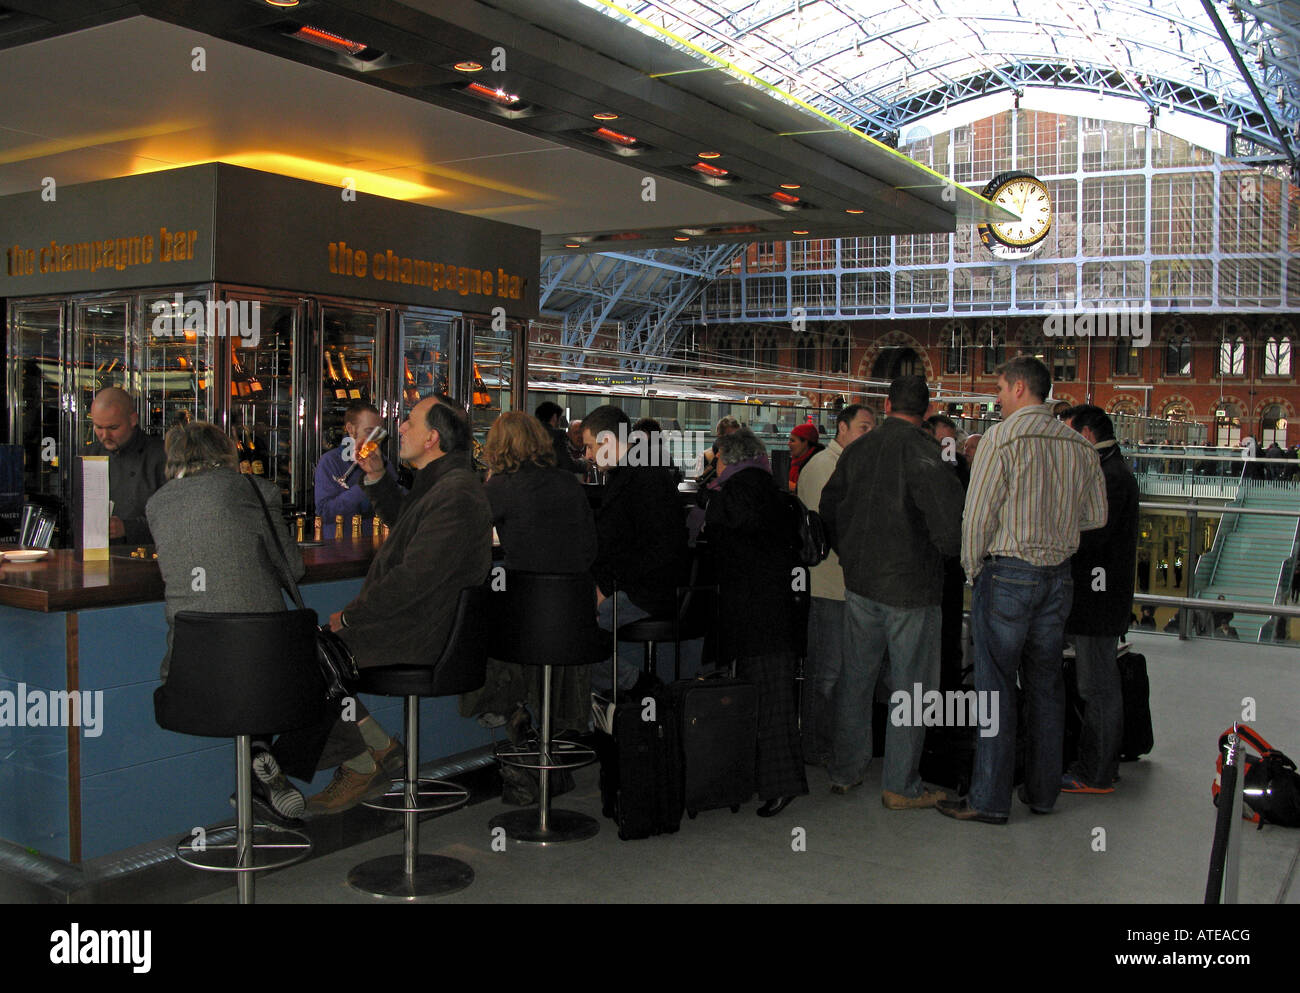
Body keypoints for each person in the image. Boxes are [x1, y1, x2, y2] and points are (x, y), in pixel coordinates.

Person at [147, 422, 399, 824]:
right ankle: (327, 752)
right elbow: (292, 568)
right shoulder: (256, 491)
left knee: (288, 673)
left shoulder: (156, 504)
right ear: (228, 452)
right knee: (308, 667)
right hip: (269, 670)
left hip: (190, 675)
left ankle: (268, 761)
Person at [940, 358, 1106, 825]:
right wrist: (1057, 524)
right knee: (1046, 687)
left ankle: (989, 800)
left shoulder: (1001, 438)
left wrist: (974, 570)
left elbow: (978, 516)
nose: (996, 397)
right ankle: (1043, 794)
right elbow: (1096, 517)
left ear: (1018, 387)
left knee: (996, 689)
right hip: (1059, 578)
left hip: (1008, 574)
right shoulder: (1079, 445)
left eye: (998, 388)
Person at [321, 395, 492, 813]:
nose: (398, 428)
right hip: (424, 625)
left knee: (304, 653)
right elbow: (410, 527)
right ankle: (375, 750)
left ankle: (363, 762)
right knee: (309, 650)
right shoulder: (443, 482)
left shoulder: (454, 492)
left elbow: (413, 578)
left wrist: (351, 616)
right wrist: (377, 477)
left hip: (422, 635)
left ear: (432, 438)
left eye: (409, 423)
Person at [820, 376, 965, 810]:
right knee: (912, 691)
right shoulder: (927, 453)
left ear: (885, 404)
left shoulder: (858, 450)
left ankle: (846, 770)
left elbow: (829, 507)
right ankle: (900, 784)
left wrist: (850, 555)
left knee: (856, 680)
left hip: (861, 586)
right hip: (911, 591)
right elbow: (950, 527)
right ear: (926, 408)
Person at [460, 411, 598, 732]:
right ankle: (532, 713)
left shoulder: (502, 487)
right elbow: (590, 548)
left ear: (497, 447)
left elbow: (462, 530)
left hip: (527, 617)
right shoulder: (567, 480)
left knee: (478, 611)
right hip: (576, 615)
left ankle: (504, 703)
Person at [705, 427, 808, 816]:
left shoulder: (732, 492)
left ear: (727, 458)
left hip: (751, 611)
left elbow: (719, 539)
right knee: (774, 697)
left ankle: (779, 782)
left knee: (761, 698)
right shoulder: (773, 490)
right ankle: (772, 781)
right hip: (778, 610)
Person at [581, 404, 691, 693]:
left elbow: (654, 550)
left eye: (590, 446)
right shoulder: (638, 473)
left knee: (573, 630)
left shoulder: (642, 479)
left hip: (645, 592)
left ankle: (639, 686)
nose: (588, 456)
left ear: (607, 440)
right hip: (639, 586)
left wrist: (605, 587)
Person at [1060, 405, 1139, 795]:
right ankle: (1101, 764)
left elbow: (1094, 536)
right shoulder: (1112, 470)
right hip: (1101, 597)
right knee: (1099, 684)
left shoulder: (1110, 477)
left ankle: (1096, 771)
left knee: (1097, 686)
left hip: (1098, 600)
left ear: (1087, 434)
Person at [794, 404, 874, 766]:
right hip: (827, 586)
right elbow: (825, 532)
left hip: (845, 585)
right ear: (841, 428)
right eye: (863, 427)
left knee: (839, 671)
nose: (868, 434)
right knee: (826, 671)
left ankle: (829, 742)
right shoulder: (825, 468)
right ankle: (815, 745)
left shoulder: (847, 466)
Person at [87, 387, 166, 545]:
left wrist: (128, 528)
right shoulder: (89, 456)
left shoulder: (162, 456)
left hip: (149, 559)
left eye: (113, 428)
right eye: (98, 427)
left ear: (133, 420)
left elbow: (175, 517)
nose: (105, 436)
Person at [313, 400, 399, 529]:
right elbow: (325, 514)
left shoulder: (384, 463)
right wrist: (366, 484)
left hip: (377, 542)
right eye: (369, 432)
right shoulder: (330, 462)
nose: (374, 439)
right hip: (340, 544)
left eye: (378, 433)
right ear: (350, 429)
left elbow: (398, 507)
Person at [536, 400, 583, 474]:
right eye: (560, 419)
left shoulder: (530, 434)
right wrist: (584, 463)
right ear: (554, 417)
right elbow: (567, 465)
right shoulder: (557, 435)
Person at [787, 423, 823, 492]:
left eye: (792, 441)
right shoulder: (795, 463)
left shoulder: (817, 466)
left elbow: (815, 492)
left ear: (805, 442)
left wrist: (792, 487)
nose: (788, 444)